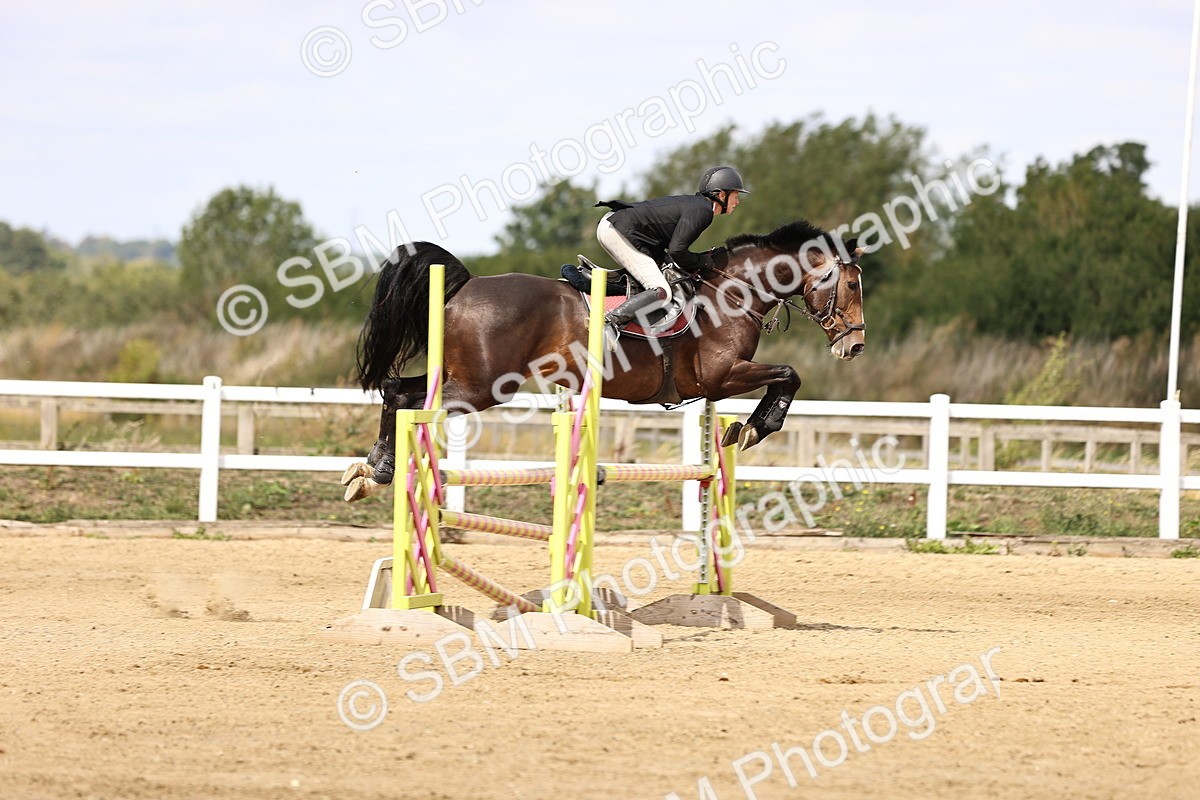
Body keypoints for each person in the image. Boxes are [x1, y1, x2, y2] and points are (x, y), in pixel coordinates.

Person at [594, 165, 748, 346]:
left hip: (617, 225)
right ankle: (610, 321)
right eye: (735, 196)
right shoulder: (704, 211)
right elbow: (677, 251)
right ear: (721, 195)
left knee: (659, 271)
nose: (737, 202)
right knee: (661, 291)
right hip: (618, 229)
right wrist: (704, 261)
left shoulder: (696, 205)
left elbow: (672, 252)